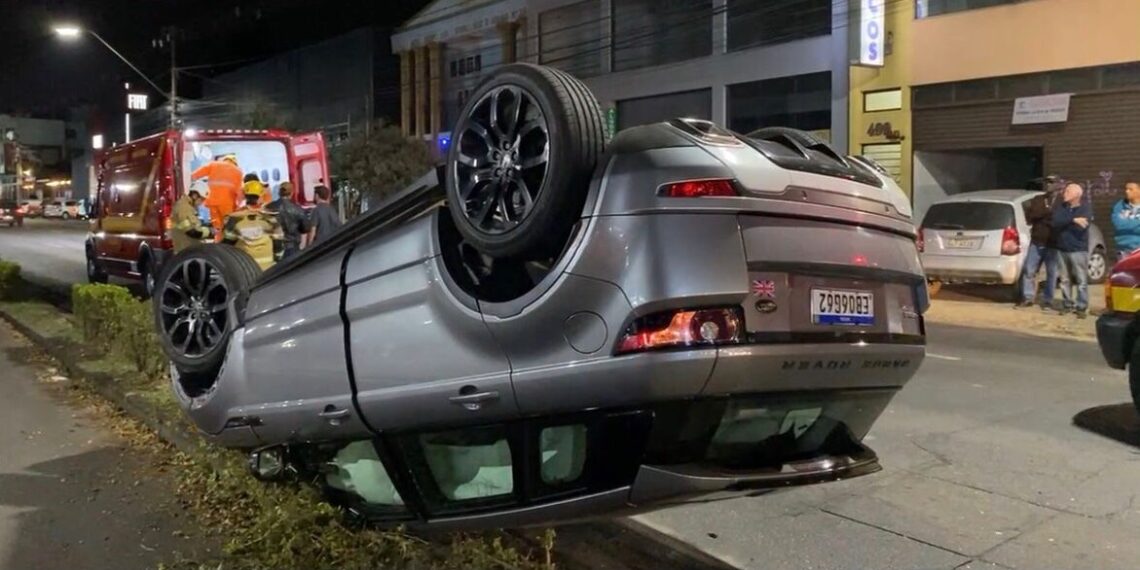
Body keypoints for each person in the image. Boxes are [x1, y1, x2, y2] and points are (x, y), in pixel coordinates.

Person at [1051, 183, 1092, 318]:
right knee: (1064, 279)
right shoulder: (1061, 207)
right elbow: (1055, 222)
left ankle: (1081, 307)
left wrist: (1066, 222)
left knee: (1081, 280)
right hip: (1062, 248)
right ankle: (1067, 304)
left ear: (1077, 194)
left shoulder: (1085, 208)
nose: (1064, 193)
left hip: (1078, 249)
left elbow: (1081, 228)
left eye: (1068, 191)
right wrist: (1073, 220)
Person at [221, 181, 284, 271]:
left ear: (245, 196)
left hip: (245, 268)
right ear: (261, 196)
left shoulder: (235, 218)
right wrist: (277, 260)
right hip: (267, 268)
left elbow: (227, 244)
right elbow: (278, 245)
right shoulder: (270, 219)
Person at [1017, 189, 1058, 309]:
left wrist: (1044, 215)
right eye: (1047, 182)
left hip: (1052, 242)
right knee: (1029, 270)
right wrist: (1046, 212)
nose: (1050, 185)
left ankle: (1048, 300)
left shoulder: (1061, 201)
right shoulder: (1038, 199)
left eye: (1052, 182)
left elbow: (1058, 219)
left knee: (1052, 273)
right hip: (1037, 240)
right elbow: (1030, 216)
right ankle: (1028, 297)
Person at [191, 154, 244, 238]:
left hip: (212, 201)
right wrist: (238, 207)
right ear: (235, 162)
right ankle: (227, 244)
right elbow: (239, 191)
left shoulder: (214, 164)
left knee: (217, 225)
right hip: (227, 203)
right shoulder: (238, 171)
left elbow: (195, 175)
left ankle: (218, 241)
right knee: (227, 225)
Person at [265, 181, 311, 260]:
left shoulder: (269, 207)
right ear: (292, 193)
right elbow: (306, 228)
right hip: (292, 246)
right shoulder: (297, 209)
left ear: (279, 192)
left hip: (273, 246)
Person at [171, 180, 213, 253]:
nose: (202, 203)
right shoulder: (183, 207)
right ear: (195, 196)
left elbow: (195, 226)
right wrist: (210, 231)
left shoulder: (190, 207)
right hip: (185, 252)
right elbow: (191, 232)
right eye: (202, 199)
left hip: (191, 250)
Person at [1111, 181, 1140, 260]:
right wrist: (1137, 223)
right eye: (1126, 189)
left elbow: (1122, 224)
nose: (1127, 191)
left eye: (1131, 189)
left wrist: (1126, 223)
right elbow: (1118, 225)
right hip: (1123, 249)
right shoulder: (1119, 206)